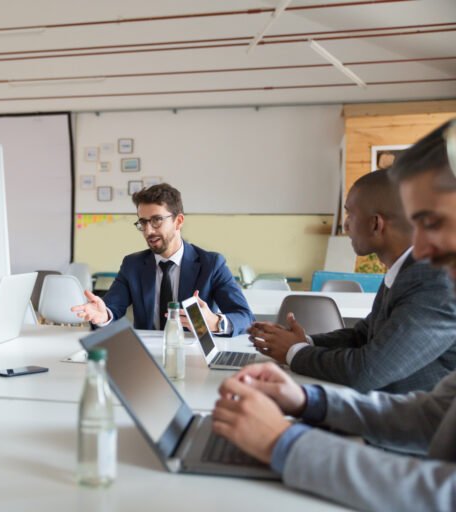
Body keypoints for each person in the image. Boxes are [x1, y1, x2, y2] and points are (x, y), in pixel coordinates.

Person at [212, 120, 456, 511]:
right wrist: (306, 401)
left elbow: (442, 493)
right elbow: (432, 416)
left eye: (433, 223)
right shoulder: (420, 274)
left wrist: (283, 442)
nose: (421, 250)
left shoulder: (436, 285)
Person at [248, 169, 456, 393]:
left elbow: (366, 371)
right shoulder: (409, 271)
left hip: (421, 424)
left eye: (350, 215)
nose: (346, 226)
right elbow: (362, 336)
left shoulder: (437, 281)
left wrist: (294, 351)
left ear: (376, 224)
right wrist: (305, 341)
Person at [72, 183, 253, 334]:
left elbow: (244, 317)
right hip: (147, 357)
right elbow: (111, 308)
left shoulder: (211, 264)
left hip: (194, 356)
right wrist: (104, 316)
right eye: (143, 222)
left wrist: (215, 322)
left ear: (178, 221)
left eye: (157, 220)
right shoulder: (133, 265)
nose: (148, 231)